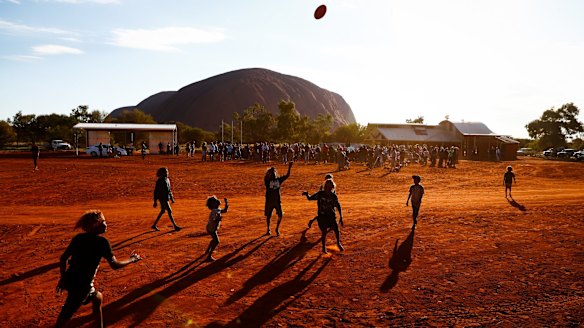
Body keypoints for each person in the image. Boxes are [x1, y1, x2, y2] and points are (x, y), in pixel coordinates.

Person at [55, 210, 141, 328]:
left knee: (97, 298)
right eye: (104, 221)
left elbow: (63, 258)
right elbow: (114, 265)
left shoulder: (78, 238)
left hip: (71, 279)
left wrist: (63, 278)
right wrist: (132, 259)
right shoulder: (102, 242)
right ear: (96, 224)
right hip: (82, 286)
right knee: (64, 318)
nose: (106, 224)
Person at [302, 179, 344, 253]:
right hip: (322, 216)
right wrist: (307, 195)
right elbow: (310, 198)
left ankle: (338, 243)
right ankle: (324, 247)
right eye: (327, 186)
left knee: (336, 229)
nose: (328, 188)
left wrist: (341, 216)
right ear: (325, 187)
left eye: (329, 187)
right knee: (324, 232)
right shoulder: (320, 194)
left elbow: (338, 206)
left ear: (332, 187)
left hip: (331, 216)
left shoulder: (333, 196)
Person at [264, 161, 293, 236]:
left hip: (276, 201)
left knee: (280, 215)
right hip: (270, 201)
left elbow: (287, 175)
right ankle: (268, 229)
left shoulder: (277, 180)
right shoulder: (267, 180)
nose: (274, 174)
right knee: (268, 215)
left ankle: (276, 228)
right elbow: (266, 177)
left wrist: (289, 168)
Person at [151, 167, 182, 231]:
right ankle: (175, 226)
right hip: (162, 198)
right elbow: (156, 191)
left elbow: (169, 190)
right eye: (165, 172)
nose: (167, 173)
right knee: (169, 211)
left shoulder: (167, 180)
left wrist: (172, 198)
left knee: (163, 211)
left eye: (167, 172)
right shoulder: (160, 181)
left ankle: (154, 225)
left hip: (166, 198)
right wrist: (155, 201)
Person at [205, 196, 229, 261]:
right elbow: (213, 219)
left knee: (214, 239)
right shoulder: (214, 211)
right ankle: (209, 256)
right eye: (216, 200)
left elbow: (225, 210)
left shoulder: (217, 210)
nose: (218, 200)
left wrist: (226, 203)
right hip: (212, 228)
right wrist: (218, 219)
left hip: (211, 228)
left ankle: (207, 251)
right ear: (213, 204)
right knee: (216, 241)